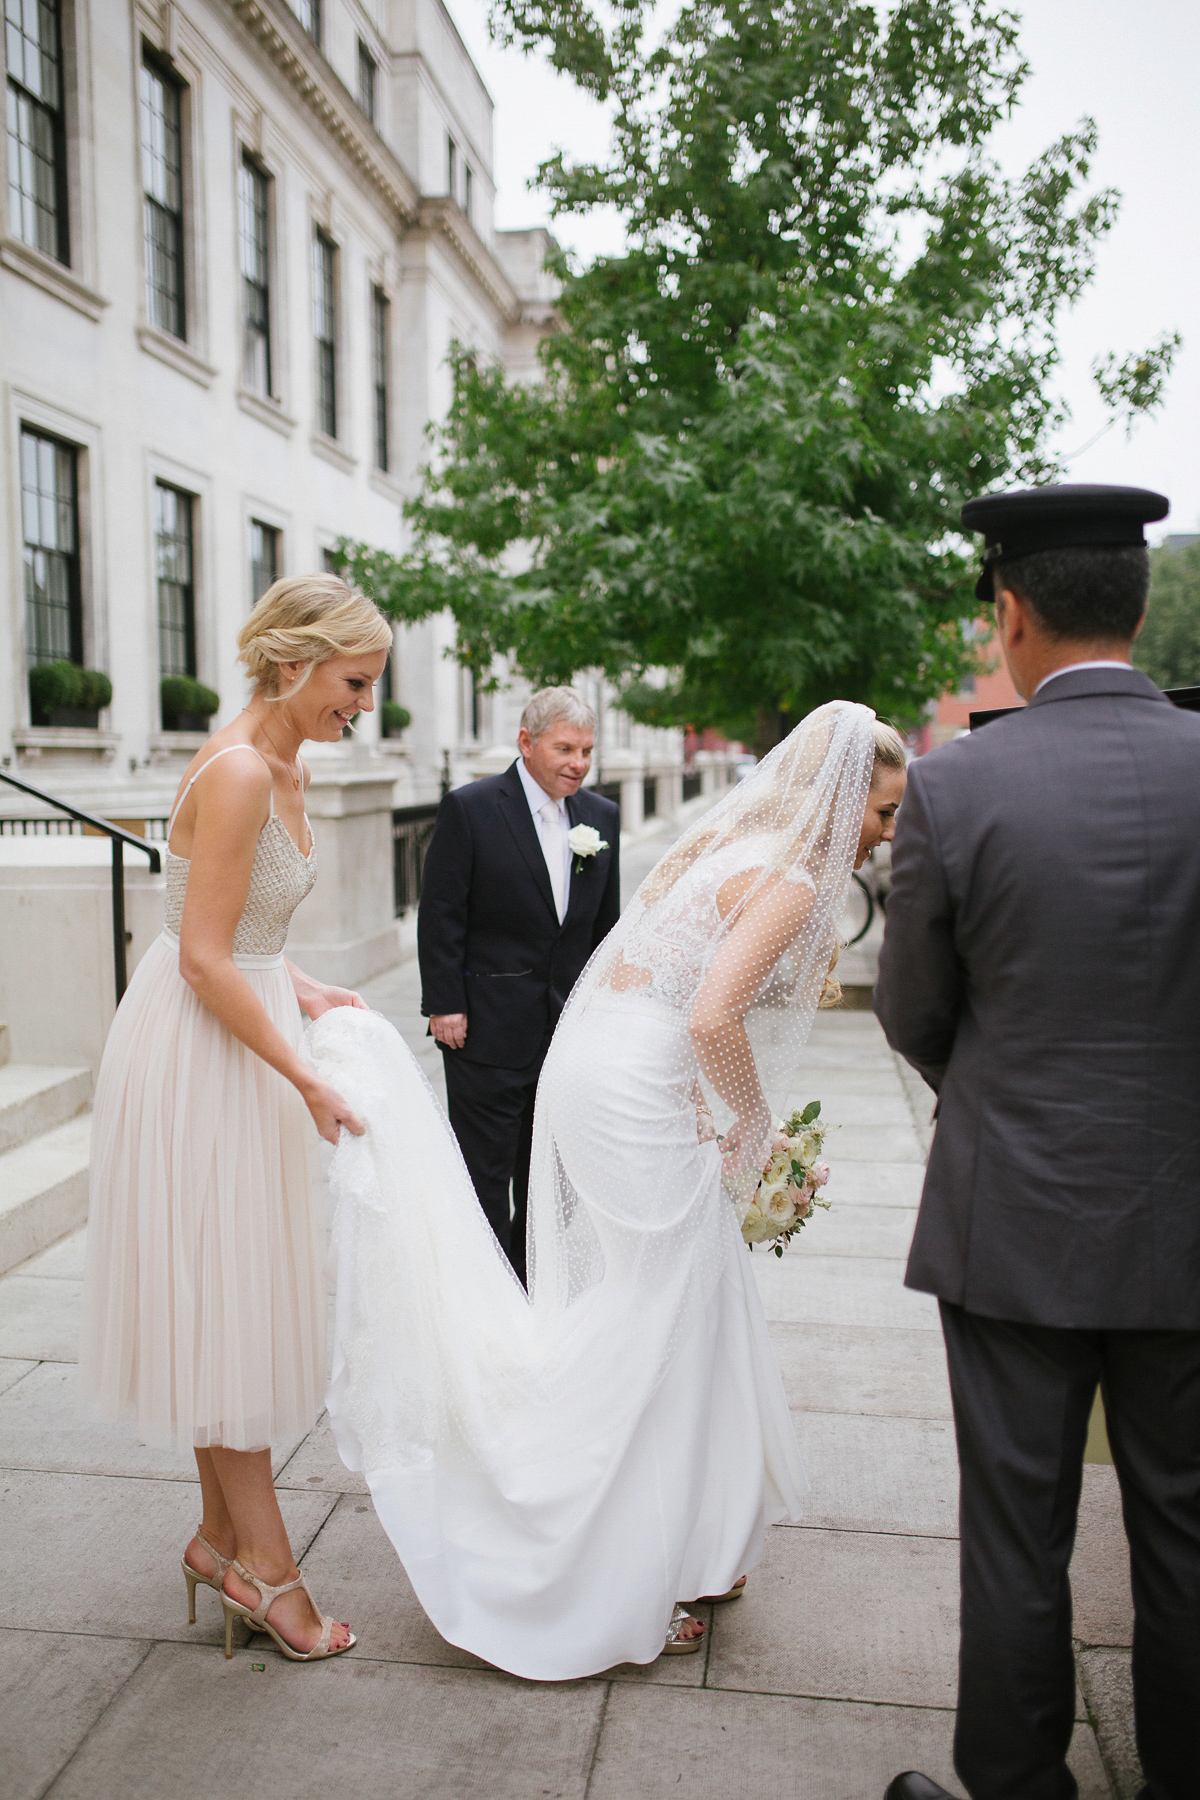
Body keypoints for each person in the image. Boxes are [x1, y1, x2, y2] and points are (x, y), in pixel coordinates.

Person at [315, 703, 907, 1679]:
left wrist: (702, 1115)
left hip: (604, 1067)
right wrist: (755, 1134)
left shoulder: (729, 844)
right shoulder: (794, 882)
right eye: (883, 809)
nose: (889, 829)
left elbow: (646, 979)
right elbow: (716, 1014)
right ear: (843, 803)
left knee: (685, 1300)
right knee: (656, 1313)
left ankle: (701, 1545)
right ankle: (608, 1553)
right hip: (634, 1086)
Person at [875, 483, 1197, 1800]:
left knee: (1017, 1528)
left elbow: (913, 1011)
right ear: (1136, 606)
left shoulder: (957, 786)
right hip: (1187, 1211)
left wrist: (1002, 1095)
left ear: (1009, 611)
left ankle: (1015, 1786)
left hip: (1013, 1219)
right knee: (1184, 1523)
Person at [79, 574, 391, 1663]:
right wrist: (301, 1076)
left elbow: (239, 925)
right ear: (296, 662)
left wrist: (300, 987)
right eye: (355, 684)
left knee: (228, 1304)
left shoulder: (289, 762)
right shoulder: (244, 770)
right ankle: (270, 1573)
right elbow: (203, 956)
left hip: (243, 1022)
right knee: (232, 1307)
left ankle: (221, 1542)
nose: (364, 706)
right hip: (200, 1047)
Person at [417, 688, 621, 1283]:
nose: (578, 763)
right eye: (565, 748)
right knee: (484, 1176)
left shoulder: (600, 817)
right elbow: (442, 913)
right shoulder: (472, 808)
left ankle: (529, 1288)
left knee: (547, 1182)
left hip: (565, 1034)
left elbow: (603, 928)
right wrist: (444, 1004)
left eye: (586, 750)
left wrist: (602, 1014)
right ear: (527, 743)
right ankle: (483, 1293)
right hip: (483, 1028)